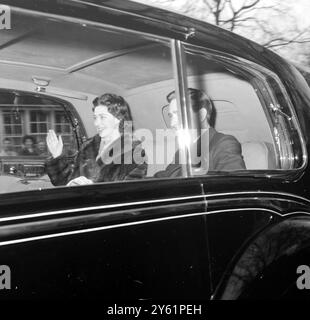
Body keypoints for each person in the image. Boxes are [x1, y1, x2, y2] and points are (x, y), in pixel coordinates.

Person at [46, 93, 147, 186]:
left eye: (102, 117)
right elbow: (64, 182)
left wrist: (92, 189)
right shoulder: (88, 147)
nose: (96, 123)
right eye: (95, 118)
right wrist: (57, 156)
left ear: (119, 118)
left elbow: (128, 196)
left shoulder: (134, 154)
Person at [155, 88, 245, 177]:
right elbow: (164, 177)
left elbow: (232, 182)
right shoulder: (182, 152)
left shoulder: (223, 143)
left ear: (201, 115)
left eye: (178, 114)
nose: (172, 123)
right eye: (171, 116)